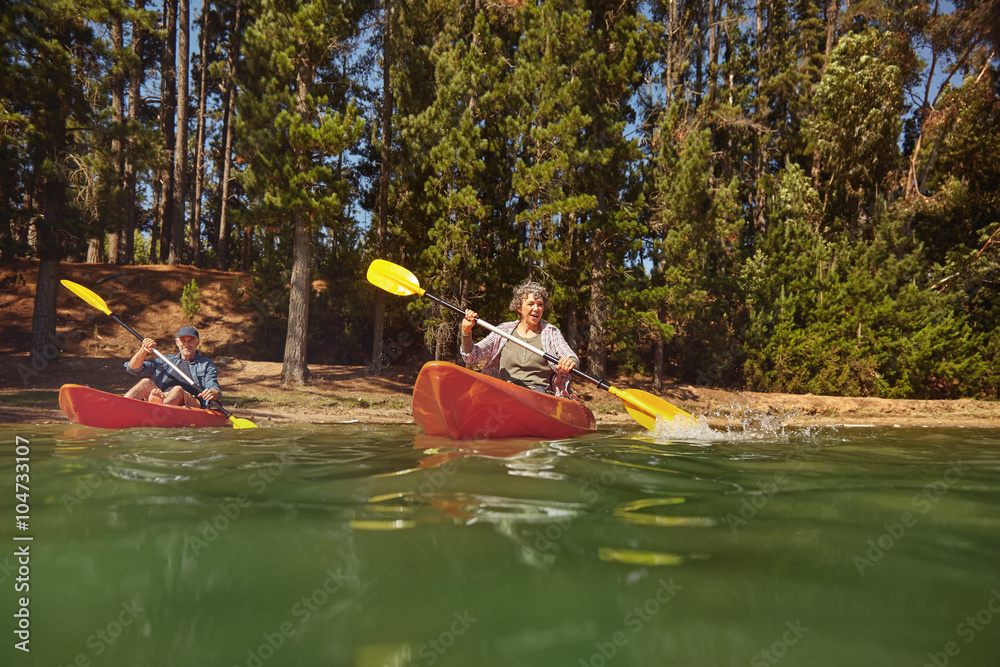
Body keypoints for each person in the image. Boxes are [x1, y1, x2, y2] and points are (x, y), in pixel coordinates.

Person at [460, 279, 579, 397]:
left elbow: (569, 355)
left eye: (540, 305)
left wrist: (570, 361)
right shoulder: (503, 331)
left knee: (538, 394)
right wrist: (466, 332)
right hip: (505, 393)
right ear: (519, 308)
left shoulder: (551, 332)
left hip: (539, 396)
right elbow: (472, 356)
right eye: (530, 304)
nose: (536, 309)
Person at [123, 326, 222, 408]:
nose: (187, 344)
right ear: (177, 342)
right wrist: (143, 350)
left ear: (197, 343)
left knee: (177, 389)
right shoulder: (165, 359)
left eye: (191, 340)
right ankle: (121, 406)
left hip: (191, 401)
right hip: (161, 396)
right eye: (183, 340)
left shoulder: (206, 364)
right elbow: (133, 369)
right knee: (145, 382)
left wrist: (212, 393)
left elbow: (214, 389)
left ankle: (158, 407)